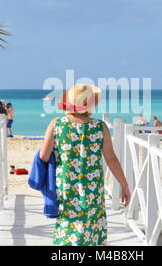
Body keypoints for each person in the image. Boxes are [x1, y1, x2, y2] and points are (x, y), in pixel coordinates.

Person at [39, 83, 130, 246]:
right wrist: (124, 185)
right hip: (92, 189)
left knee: (68, 229)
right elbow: (111, 159)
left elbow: (43, 156)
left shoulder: (56, 124)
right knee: (91, 230)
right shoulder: (99, 127)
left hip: (66, 187)